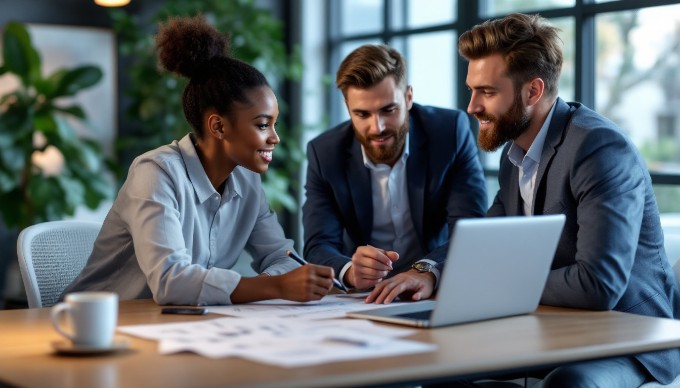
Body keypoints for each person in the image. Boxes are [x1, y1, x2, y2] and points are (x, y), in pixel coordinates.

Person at [459, 13, 680, 387]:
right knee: (446, 370)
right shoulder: (514, 154)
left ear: (532, 91)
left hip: (631, 338)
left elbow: (599, 283)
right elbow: (480, 236)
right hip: (553, 330)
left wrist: (501, 284)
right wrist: (428, 271)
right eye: (472, 89)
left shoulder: (598, 148)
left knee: (569, 384)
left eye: (488, 92)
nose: (472, 106)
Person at [62, 16, 335, 305]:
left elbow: (283, 256)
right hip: (95, 327)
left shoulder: (248, 182)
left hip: (175, 327)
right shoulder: (155, 173)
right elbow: (171, 281)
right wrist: (277, 287)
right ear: (218, 126)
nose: (275, 138)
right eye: (263, 125)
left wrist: (278, 282)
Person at [302, 44, 487, 304]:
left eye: (388, 110)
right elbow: (318, 244)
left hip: (433, 289)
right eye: (362, 114)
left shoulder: (450, 133)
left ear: (408, 97)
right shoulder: (325, 153)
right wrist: (351, 272)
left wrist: (426, 270)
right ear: (347, 107)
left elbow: (469, 230)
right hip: (363, 298)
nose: (377, 127)